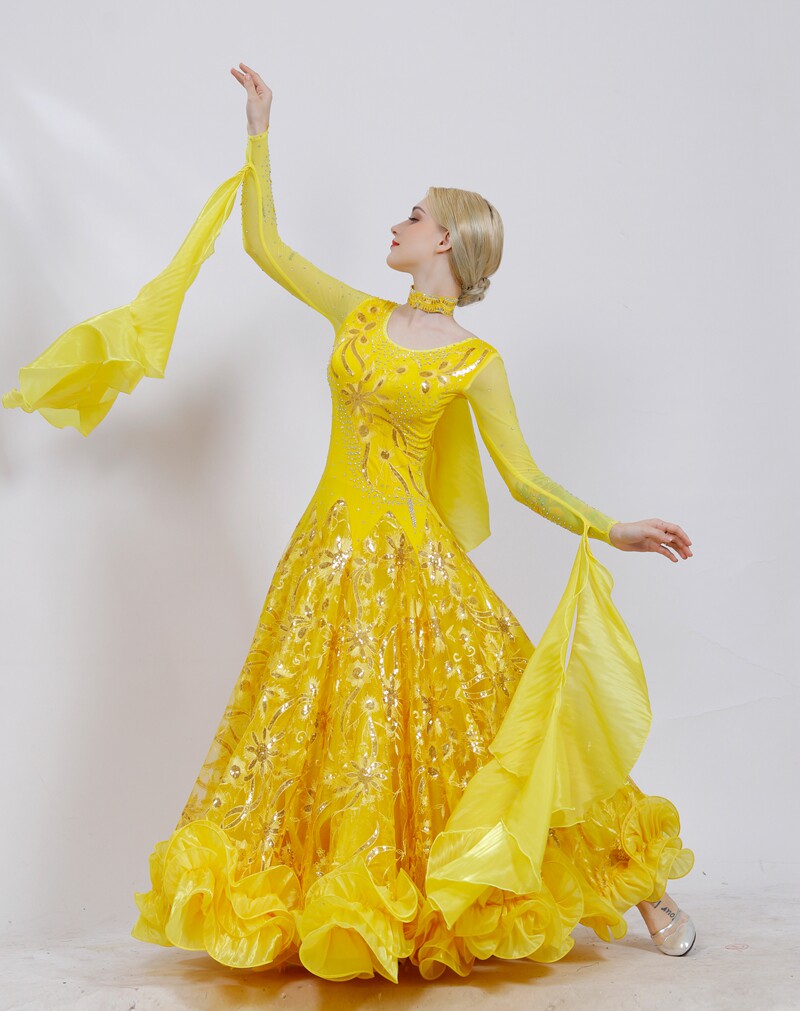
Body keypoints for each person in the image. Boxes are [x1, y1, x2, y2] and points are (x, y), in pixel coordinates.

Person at [2, 63, 697, 982]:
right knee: (316, 730)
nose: (397, 225)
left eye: (413, 215)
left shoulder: (476, 361)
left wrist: (613, 529)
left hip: (418, 562)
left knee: (504, 714)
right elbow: (265, 246)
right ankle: (350, 903)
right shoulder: (359, 316)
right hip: (327, 554)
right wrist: (259, 132)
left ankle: (644, 883)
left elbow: (523, 479)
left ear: (445, 240)